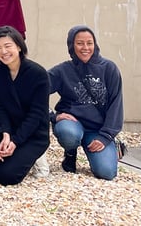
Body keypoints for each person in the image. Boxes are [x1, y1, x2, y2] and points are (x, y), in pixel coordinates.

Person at [0, 26, 49, 186]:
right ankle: (10, 151)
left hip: (34, 130)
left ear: (19, 46)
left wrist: (15, 142)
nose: (3, 52)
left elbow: (36, 114)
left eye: (8, 46)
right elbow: (0, 107)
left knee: (5, 178)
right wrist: (6, 135)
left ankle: (37, 156)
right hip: (10, 124)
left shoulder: (38, 74)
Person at [48, 26, 123, 180]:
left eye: (89, 43)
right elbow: (35, 91)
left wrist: (106, 136)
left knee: (107, 173)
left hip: (98, 129)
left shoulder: (109, 68)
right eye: (80, 43)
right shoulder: (63, 70)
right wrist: (53, 116)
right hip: (72, 124)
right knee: (69, 134)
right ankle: (70, 153)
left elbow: (116, 104)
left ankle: (113, 146)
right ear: (71, 45)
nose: (85, 48)